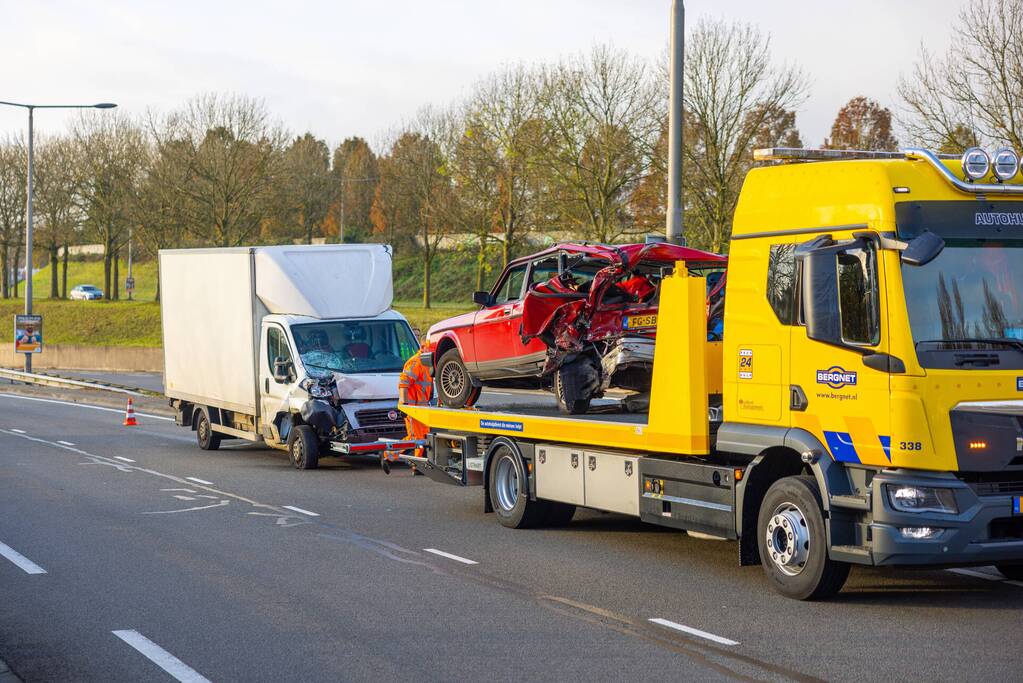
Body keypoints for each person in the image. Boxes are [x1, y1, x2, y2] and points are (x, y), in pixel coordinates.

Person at [383, 337, 435, 471]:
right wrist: (404, 404)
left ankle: (417, 466)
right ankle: (388, 455)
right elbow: (403, 383)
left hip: (421, 408)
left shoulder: (427, 363)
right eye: (429, 348)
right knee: (414, 437)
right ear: (422, 347)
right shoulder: (415, 362)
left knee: (423, 437)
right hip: (412, 409)